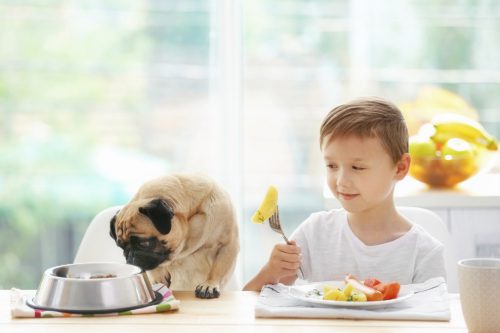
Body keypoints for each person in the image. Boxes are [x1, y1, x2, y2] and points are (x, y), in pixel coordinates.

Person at [243, 98, 446, 291]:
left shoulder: (424, 253)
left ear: (400, 168)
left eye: (357, 167)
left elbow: (434, 318)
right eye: (331, 165)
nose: (341, 181)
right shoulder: (315, 233)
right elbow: (247, 304)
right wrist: (271, 271)